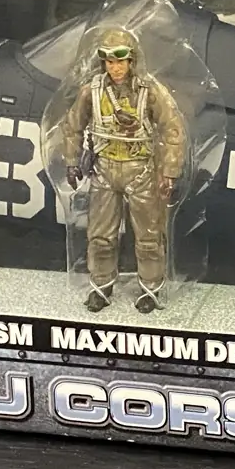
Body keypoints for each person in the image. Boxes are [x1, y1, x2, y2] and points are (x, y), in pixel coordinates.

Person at [58, 27, 186, 312]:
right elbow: (73, 126)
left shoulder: (150, 91)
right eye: (109, 61)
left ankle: (151, 289)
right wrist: (71, 161)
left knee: (149, 238)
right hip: (104, 171)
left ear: (131, 60)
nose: (114, 68)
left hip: (141, 171)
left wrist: (169, 172)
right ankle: (101, 287)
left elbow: (173, 129)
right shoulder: (91, 92)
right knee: (100, 237)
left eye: (120, 61)